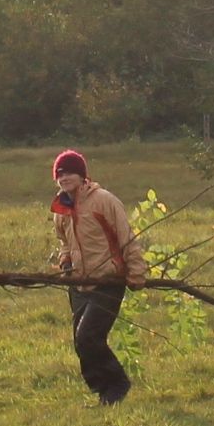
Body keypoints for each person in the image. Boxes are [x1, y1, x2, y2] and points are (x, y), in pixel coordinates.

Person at [47, 149, 144, 403]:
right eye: (60, 173)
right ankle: (104, 392)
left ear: (82, 176)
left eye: (70, 172)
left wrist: (136, 273)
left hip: (108, 281)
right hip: (78, 283)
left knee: (87, 335)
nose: (64, 177)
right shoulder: (61, 208)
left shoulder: (104, 201)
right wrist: (65, 261)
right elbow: (64, 241)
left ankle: (118, 384)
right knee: (82, 343)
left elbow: (126, 237)